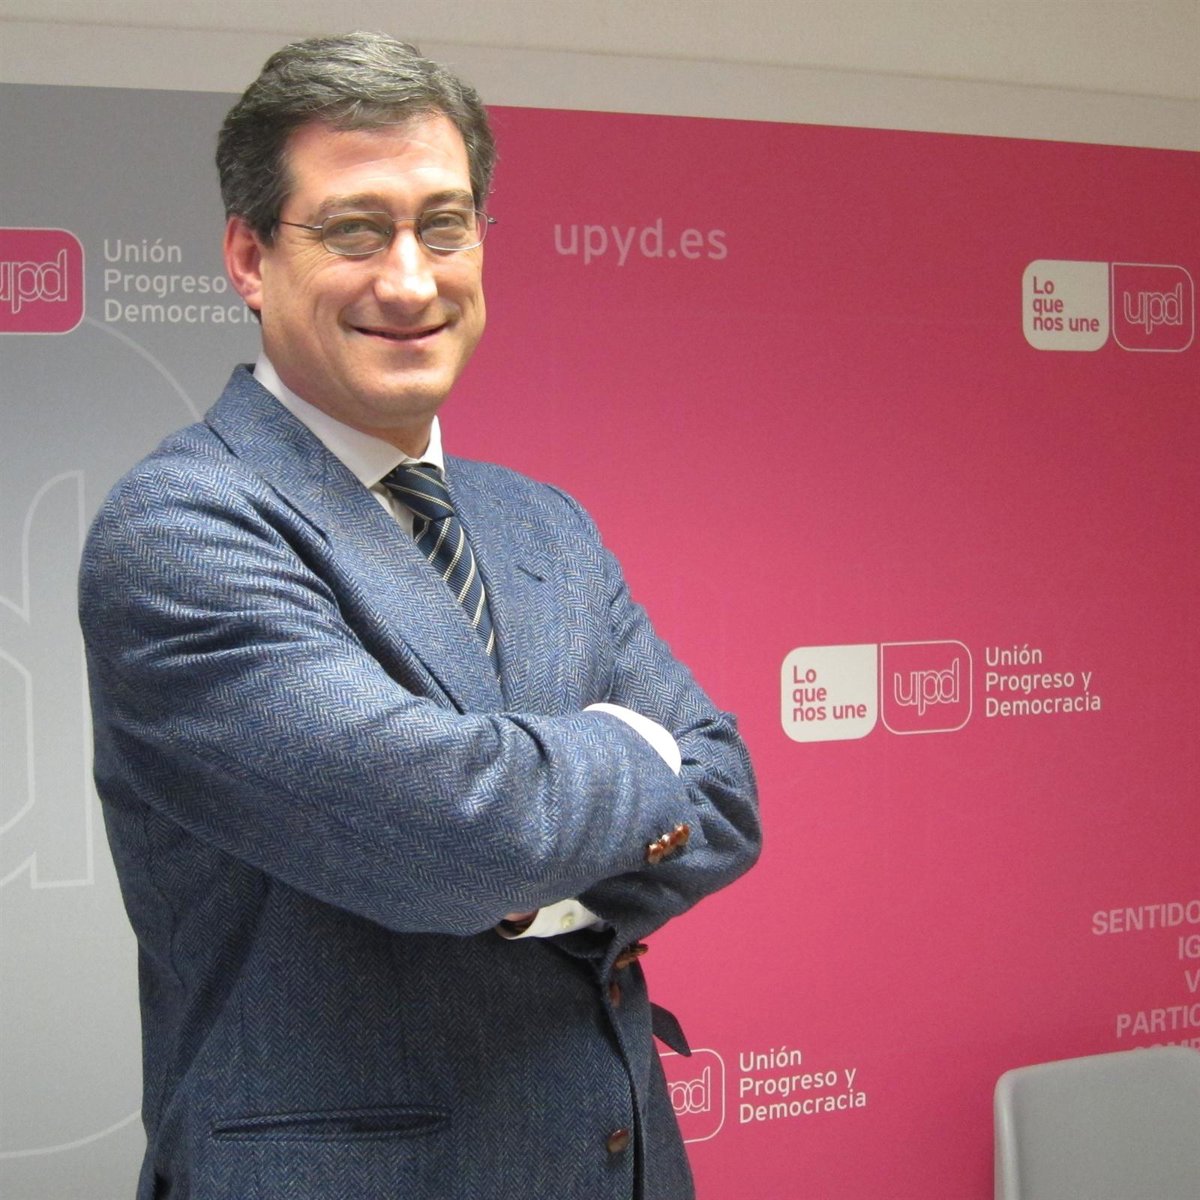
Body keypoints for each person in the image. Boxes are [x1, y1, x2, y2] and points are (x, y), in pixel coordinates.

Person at [79, 31, 760, 1200]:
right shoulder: (185, 531)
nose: (410, 280)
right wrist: (627, 763)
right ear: (249, 257)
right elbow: (454, 842)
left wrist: (529, 869)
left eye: (443, 226)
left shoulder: (541, 522)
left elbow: (727, 798)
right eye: (355, 229)